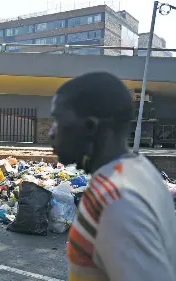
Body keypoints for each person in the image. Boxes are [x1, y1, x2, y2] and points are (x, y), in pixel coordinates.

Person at [49, 72, 176, 281]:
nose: (52, 132)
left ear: (89, 127)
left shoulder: (114, 199)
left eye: (58, 120)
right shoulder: (140, 170)